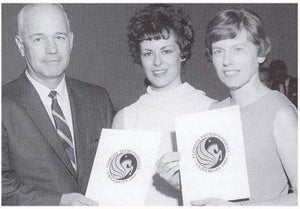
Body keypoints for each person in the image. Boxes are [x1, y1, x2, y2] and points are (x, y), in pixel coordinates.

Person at [157, 8, 297, 206]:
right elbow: (215, 194)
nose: (227, 61)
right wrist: (180, 182)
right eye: (219, 51)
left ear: (260, 54)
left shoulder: (280, 112)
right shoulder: (214, 112)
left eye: (238, 49)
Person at [2, 4, 114, 205]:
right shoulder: (4, 104)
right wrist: (57, 202)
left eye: (59, 37)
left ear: (70, 41)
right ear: (20, 45)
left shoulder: (98, 99)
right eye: (38, 39)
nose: (52, 49)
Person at [112, 4, 215, 206]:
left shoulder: (210, 110)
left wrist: (183, 185)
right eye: (148, 53)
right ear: (139, 58)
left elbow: (223, 196)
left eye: (166, 51)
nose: (157, 62)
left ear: (182, 53)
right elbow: (116, 197)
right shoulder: (125, 118)